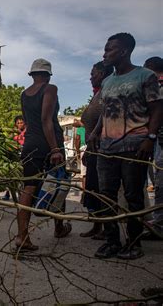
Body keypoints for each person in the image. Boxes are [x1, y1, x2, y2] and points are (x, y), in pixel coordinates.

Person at [89, 33, 162, 259]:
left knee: (133, 196)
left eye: (109, 49)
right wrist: (95, 132)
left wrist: (150, 138)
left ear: (124, 51)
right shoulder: (107, 82)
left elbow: (157, 109)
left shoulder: (145, 75)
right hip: (107, 147)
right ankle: (112, 241)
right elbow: (105, 111)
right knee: (106, 195)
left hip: (134, 145)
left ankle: (134, 242)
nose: (105, 53)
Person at [16, 58, 72, 251]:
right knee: (58, 182)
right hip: (48, 143)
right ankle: (58, 226)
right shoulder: (50, 89)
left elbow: (28, 121)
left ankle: (22, 236)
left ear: (32, 74)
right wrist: (55, 149)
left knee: (28, 187)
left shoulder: (24, 94)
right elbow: (46, 119)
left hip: (30, 143)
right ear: (47, 75)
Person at [79, 61, 113, 239]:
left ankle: (107, 228)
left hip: (102, 149)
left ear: (103, 73)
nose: (91, 77)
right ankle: (97, 225)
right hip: (93, 149)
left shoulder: (106, 94)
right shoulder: (96, 95)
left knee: (102, 189)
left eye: (94, 73)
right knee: (92, 188)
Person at [143, 56, 163, 237]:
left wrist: (150, 136)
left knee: (160, 183)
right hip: (157, 142)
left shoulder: (158, 87)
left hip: (159, 142)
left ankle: (159, 225)